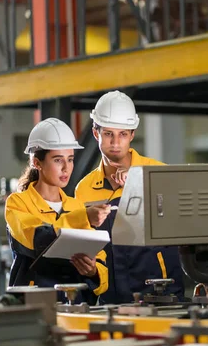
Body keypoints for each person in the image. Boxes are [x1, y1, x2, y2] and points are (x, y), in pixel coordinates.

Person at [75, 91, 185, 304]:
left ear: (132, 135)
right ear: (96, 133)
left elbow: (180, 225)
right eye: (108, 134)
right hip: (111, 299)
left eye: (123, 134)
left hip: (160, 295)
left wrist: (139, 184)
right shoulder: (84, 189)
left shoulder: (158, 172)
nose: (115, 142)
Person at [5, 117, 111, 305]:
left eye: (70, 160)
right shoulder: (18, 203)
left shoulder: (75, 206)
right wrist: (83, 217)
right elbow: (39, 240)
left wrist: (93, 271)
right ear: (37, 163)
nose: (66, 168)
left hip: (75, 305)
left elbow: (101, 264)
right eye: (57, 160)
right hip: (33, 306)